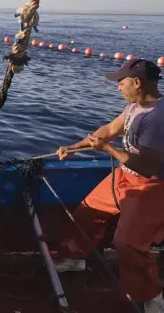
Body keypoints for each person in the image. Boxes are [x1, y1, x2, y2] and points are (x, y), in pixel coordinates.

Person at [55, 59, 164, 312]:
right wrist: (74, 147)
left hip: (151, 186)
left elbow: (147, 167)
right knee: (88, 212)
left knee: (128, 244)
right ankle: (74, 259)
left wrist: (108, 150)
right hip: (125, 175)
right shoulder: (135, 105)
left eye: (121, 82)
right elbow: (109, 129)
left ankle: (152, 296)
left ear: (137, 83)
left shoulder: (158, 119)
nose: (118, 88)